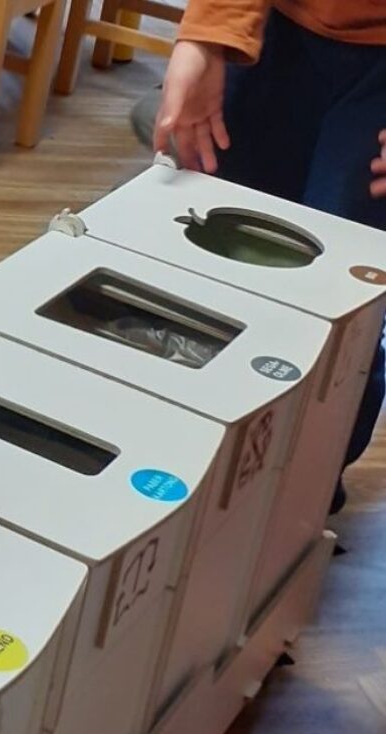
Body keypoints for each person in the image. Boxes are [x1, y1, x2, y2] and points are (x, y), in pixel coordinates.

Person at [138, 0, 386, 513]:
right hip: (276, 32)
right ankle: (182, 469)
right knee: (215, 263)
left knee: (338, 304)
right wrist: (207, 35)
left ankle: (301, 496)